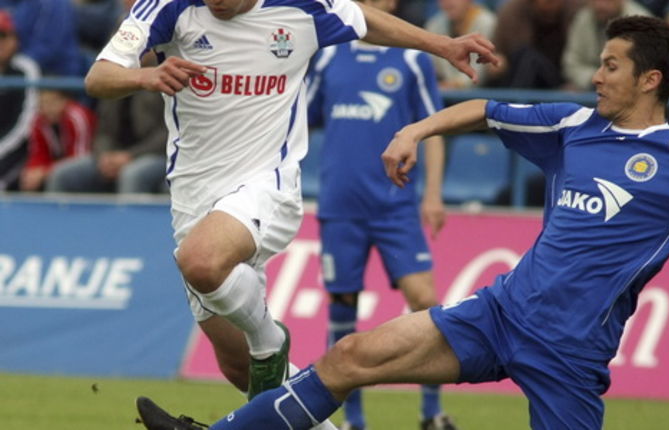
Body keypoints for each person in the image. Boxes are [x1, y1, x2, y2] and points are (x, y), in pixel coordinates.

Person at [135, 16, 669, 430]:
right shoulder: (574, 126)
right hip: (497, 314)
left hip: (571, 356)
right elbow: (485, 108)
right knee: (348, 359)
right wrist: (415, 132)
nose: (597, 75)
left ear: (650, 80)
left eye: (611, 66)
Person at [85, 0, 496, 411]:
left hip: (267, 183)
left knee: (202, 262)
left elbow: (362, 18)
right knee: (239, 368)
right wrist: (144, 75)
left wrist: (440, 44)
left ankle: (270, 339)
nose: (217, 2)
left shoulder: (302, 8)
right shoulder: (168, 8)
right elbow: (98, 77)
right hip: (192, 196)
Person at [305, 0, 453, 428]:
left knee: (425, 301)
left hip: (395, 206)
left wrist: (434, 195)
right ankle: (352, 418)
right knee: (342, 306)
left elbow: (436, 128)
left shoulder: (410, 58)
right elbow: (299, 117)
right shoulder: (330, 54)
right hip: (340, 207)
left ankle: (431, 412)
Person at [561, 0, 652, 91]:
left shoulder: (641, 23)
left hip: (628, 88)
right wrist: (591, 79)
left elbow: (641, 70)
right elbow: (572, 62)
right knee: (568, 91)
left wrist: (608, 79)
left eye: (607, 1)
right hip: (590, 85)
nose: (601, 5)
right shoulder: (583, 18)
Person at [20, 88, 96, 192]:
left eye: (52, 102)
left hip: (92, 162)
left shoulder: (77, 117)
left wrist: (44, 172)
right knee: (27, 177)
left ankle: (55, 208)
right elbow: (38, 153)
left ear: (65, 101)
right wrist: (33, 170)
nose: (47, 108)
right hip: (57, 164)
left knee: (58, 176)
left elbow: (79, 157)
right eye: (42, 103)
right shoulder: (39, 121)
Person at [0, 8, 39, 191]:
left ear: (15, 39)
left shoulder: (25, 69)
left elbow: (25, 123)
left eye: (3, 36)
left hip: (17, 151)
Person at [423, 0, 496, 89]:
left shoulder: (487, 23)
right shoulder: (434, 24)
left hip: (480, 94)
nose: (448, 2)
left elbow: (479, 72)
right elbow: (429, 65)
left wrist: (454, 85)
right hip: (444, 93)